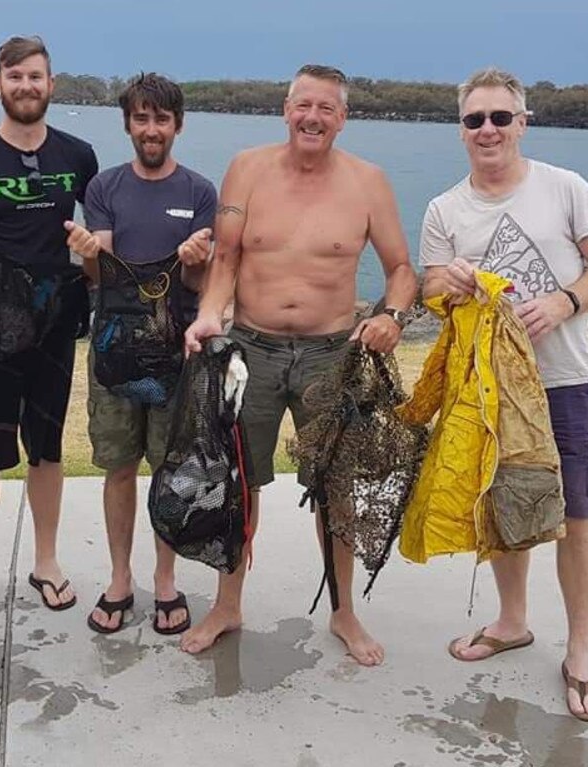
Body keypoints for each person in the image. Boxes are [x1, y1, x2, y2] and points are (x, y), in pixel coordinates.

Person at [183, 64, 417, 661]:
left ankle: (343, 612)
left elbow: (400, 269)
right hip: (252, 348)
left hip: (330, 356)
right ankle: (227, 604)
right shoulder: (247, 169)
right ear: (286, 111)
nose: (313, 118)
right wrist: (211, 312)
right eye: (303, 106)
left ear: (343, 118)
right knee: (238, 485)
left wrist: (390, 316)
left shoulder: (368, 182)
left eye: (326, 109)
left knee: (335, 489)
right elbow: (227, 259)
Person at [422, 68, 588, 722]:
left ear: (522, 123)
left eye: (499, 117)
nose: (486, 129)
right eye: (474, 120)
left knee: (577, 515)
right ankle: (512, 620)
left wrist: (565, 298)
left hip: (569, 378)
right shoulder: (444, 209)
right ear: (462, 131)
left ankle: (581, 643)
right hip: (487, 391)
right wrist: (450, 284)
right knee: (503, 507)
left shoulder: (566, 188)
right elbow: (433, 288)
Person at [0, 36, 99, 616]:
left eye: (35, 76)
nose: (25, 86)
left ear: (51, 84)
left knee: (47, 448)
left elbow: (98, 236)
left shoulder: (78, 155)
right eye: (14, 77)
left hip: (55, 320)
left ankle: (47, 560)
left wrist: (90, 251)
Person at [80, 73, 216, 634]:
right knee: (118, 468)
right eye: (141, 118)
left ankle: (165, 579)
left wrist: (193, 259)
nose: (151, 129)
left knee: (168, 469)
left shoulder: (200, 193)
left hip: (176, 354)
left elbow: (206, 280)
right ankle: (119, 578)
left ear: (177, 125)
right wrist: (87, 252)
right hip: (114, 350)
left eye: (162, 119)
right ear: (128, 124)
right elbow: (100, 274)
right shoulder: (105, 189)